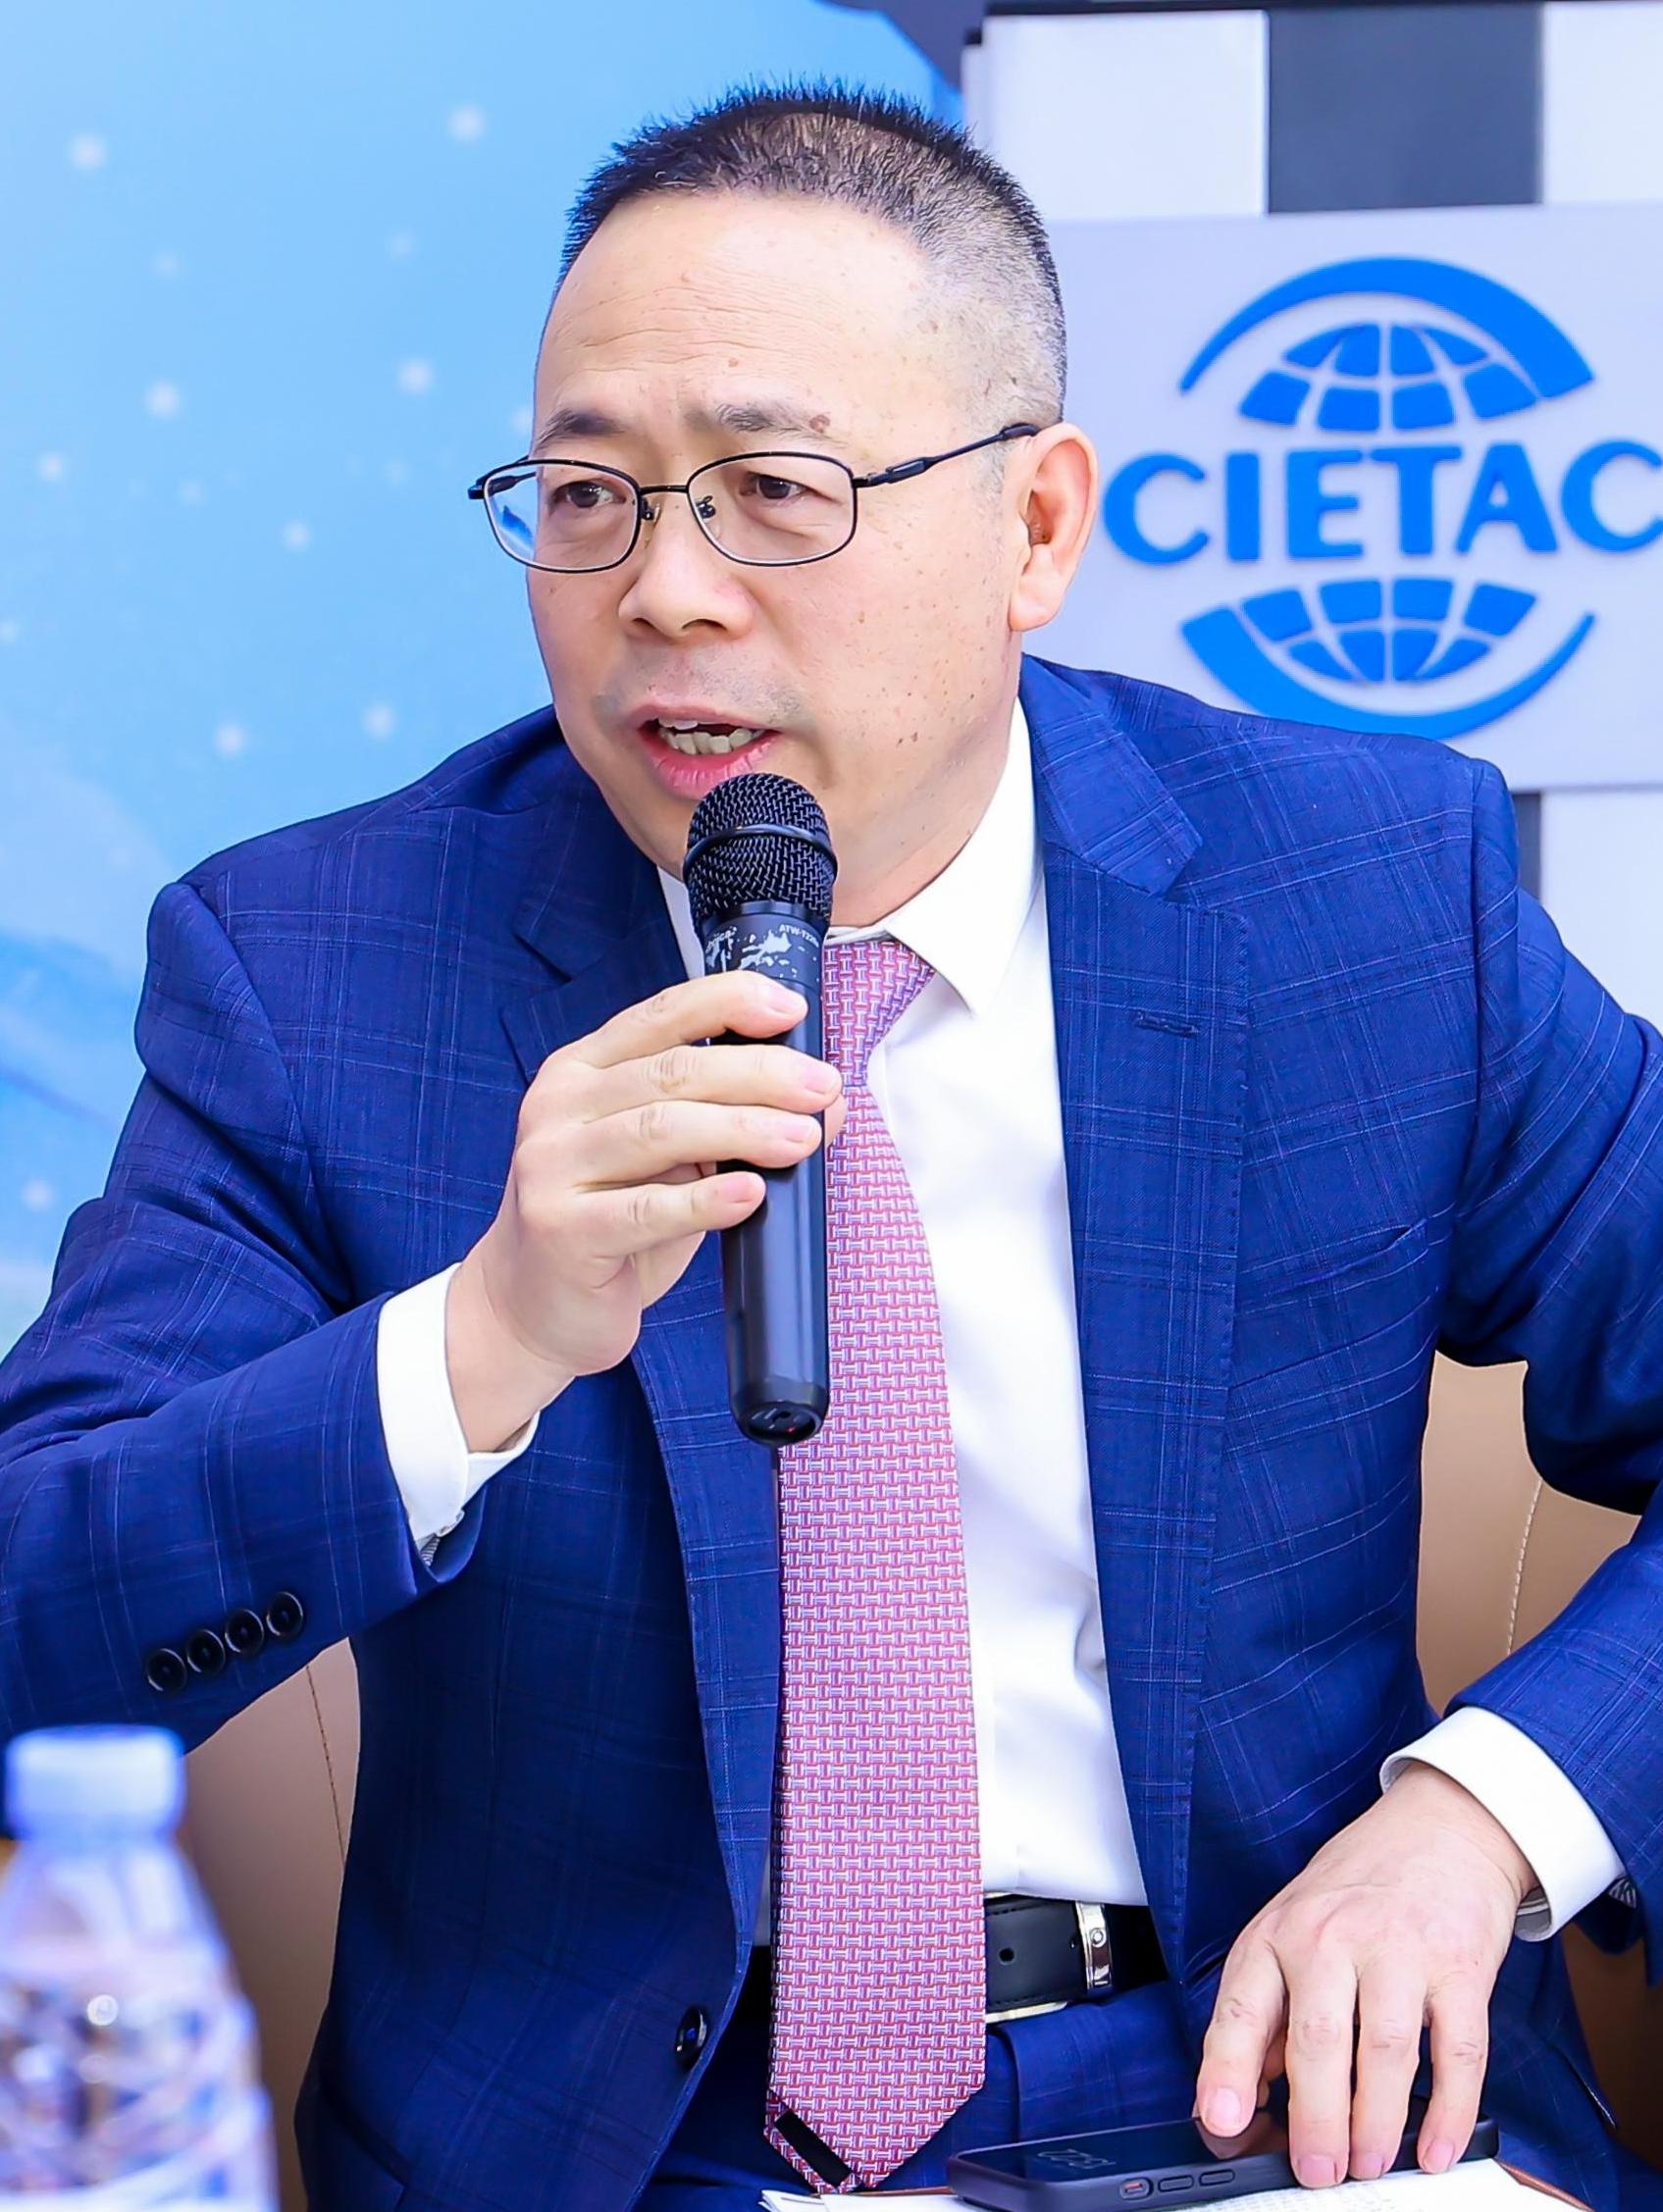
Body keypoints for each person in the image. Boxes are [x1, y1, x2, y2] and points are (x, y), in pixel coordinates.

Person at [1, 79, 1660, 2212]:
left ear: (1035, 526)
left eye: (773, 492)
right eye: (584, 497)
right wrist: (476, 1341)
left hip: (1290, 2111)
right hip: (640, 2156)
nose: (664, 592)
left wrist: (1485, 1819)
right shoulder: (319, 969)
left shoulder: (1355, 898)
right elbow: (36, 1610)